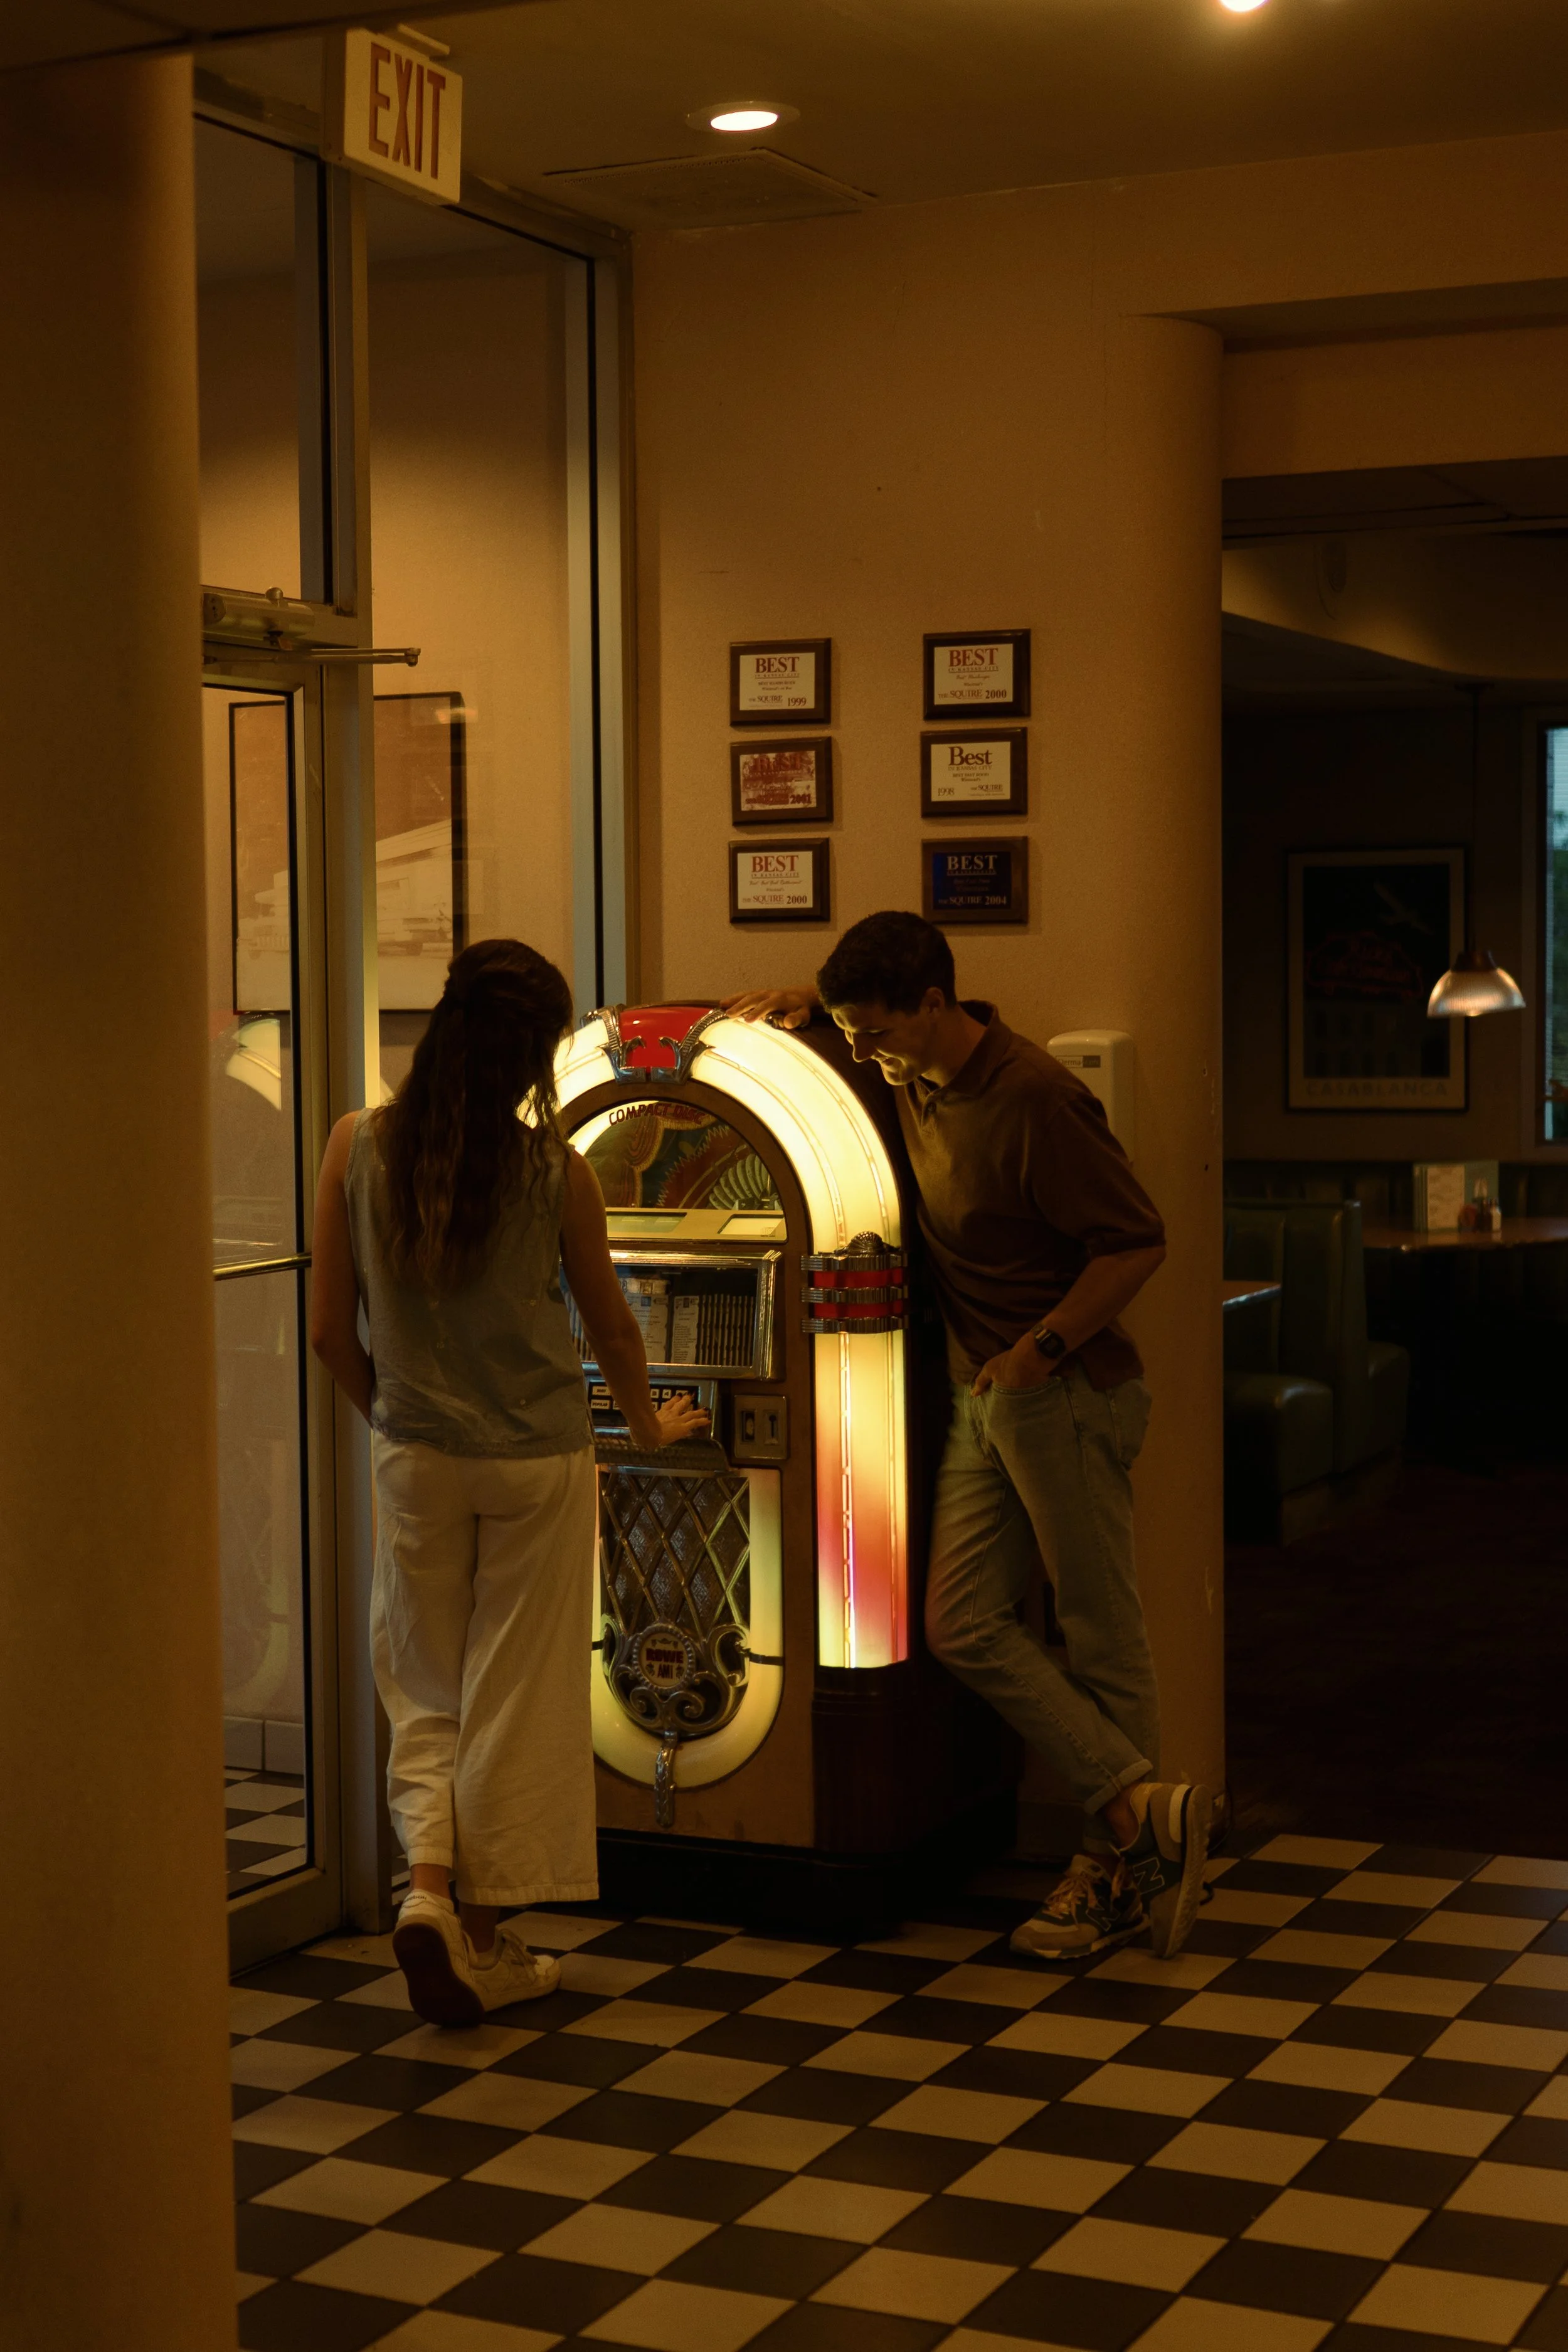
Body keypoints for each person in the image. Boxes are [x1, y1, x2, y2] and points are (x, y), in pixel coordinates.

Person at [726, 911, 1210, 1960]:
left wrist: (1041, 1347)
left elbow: (1138, 1240)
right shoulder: (908, 1072)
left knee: (1098, 1627)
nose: (861, 1052)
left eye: (875, 1030)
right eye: (851, 1031)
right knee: (959, 1620)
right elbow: (856, 1033)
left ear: (934, 1004)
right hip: (981, 1395)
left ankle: (1108, 1871)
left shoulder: (1038, 1098)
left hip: (1063, 1390)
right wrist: (808, 1006)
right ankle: (1143, 1812)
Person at [311, 938, 706, 2025]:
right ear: (534, 1052)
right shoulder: (556, 1171)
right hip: (536, 1459)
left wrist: (399, 1425)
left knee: (422, 1684)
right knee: (513, 1695)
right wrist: (649, 1424)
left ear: (444, 1019)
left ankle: (427, 1891)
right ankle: (480, 1936)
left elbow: (329, 1332)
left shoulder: (354, 1144)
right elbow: (612, 1326)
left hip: (415, 1453)